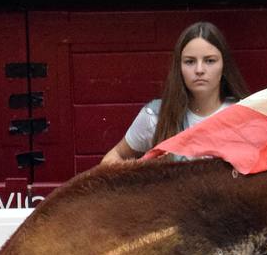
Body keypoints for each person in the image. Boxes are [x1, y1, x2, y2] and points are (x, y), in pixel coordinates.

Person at [101, 21, 248, 163]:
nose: (199, 70)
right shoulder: (156, 116)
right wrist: (142, 173)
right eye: (190, 61)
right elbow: (110, 160)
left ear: (224, 66)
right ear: (179, 67)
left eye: (210, 61)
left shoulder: (245, 115)